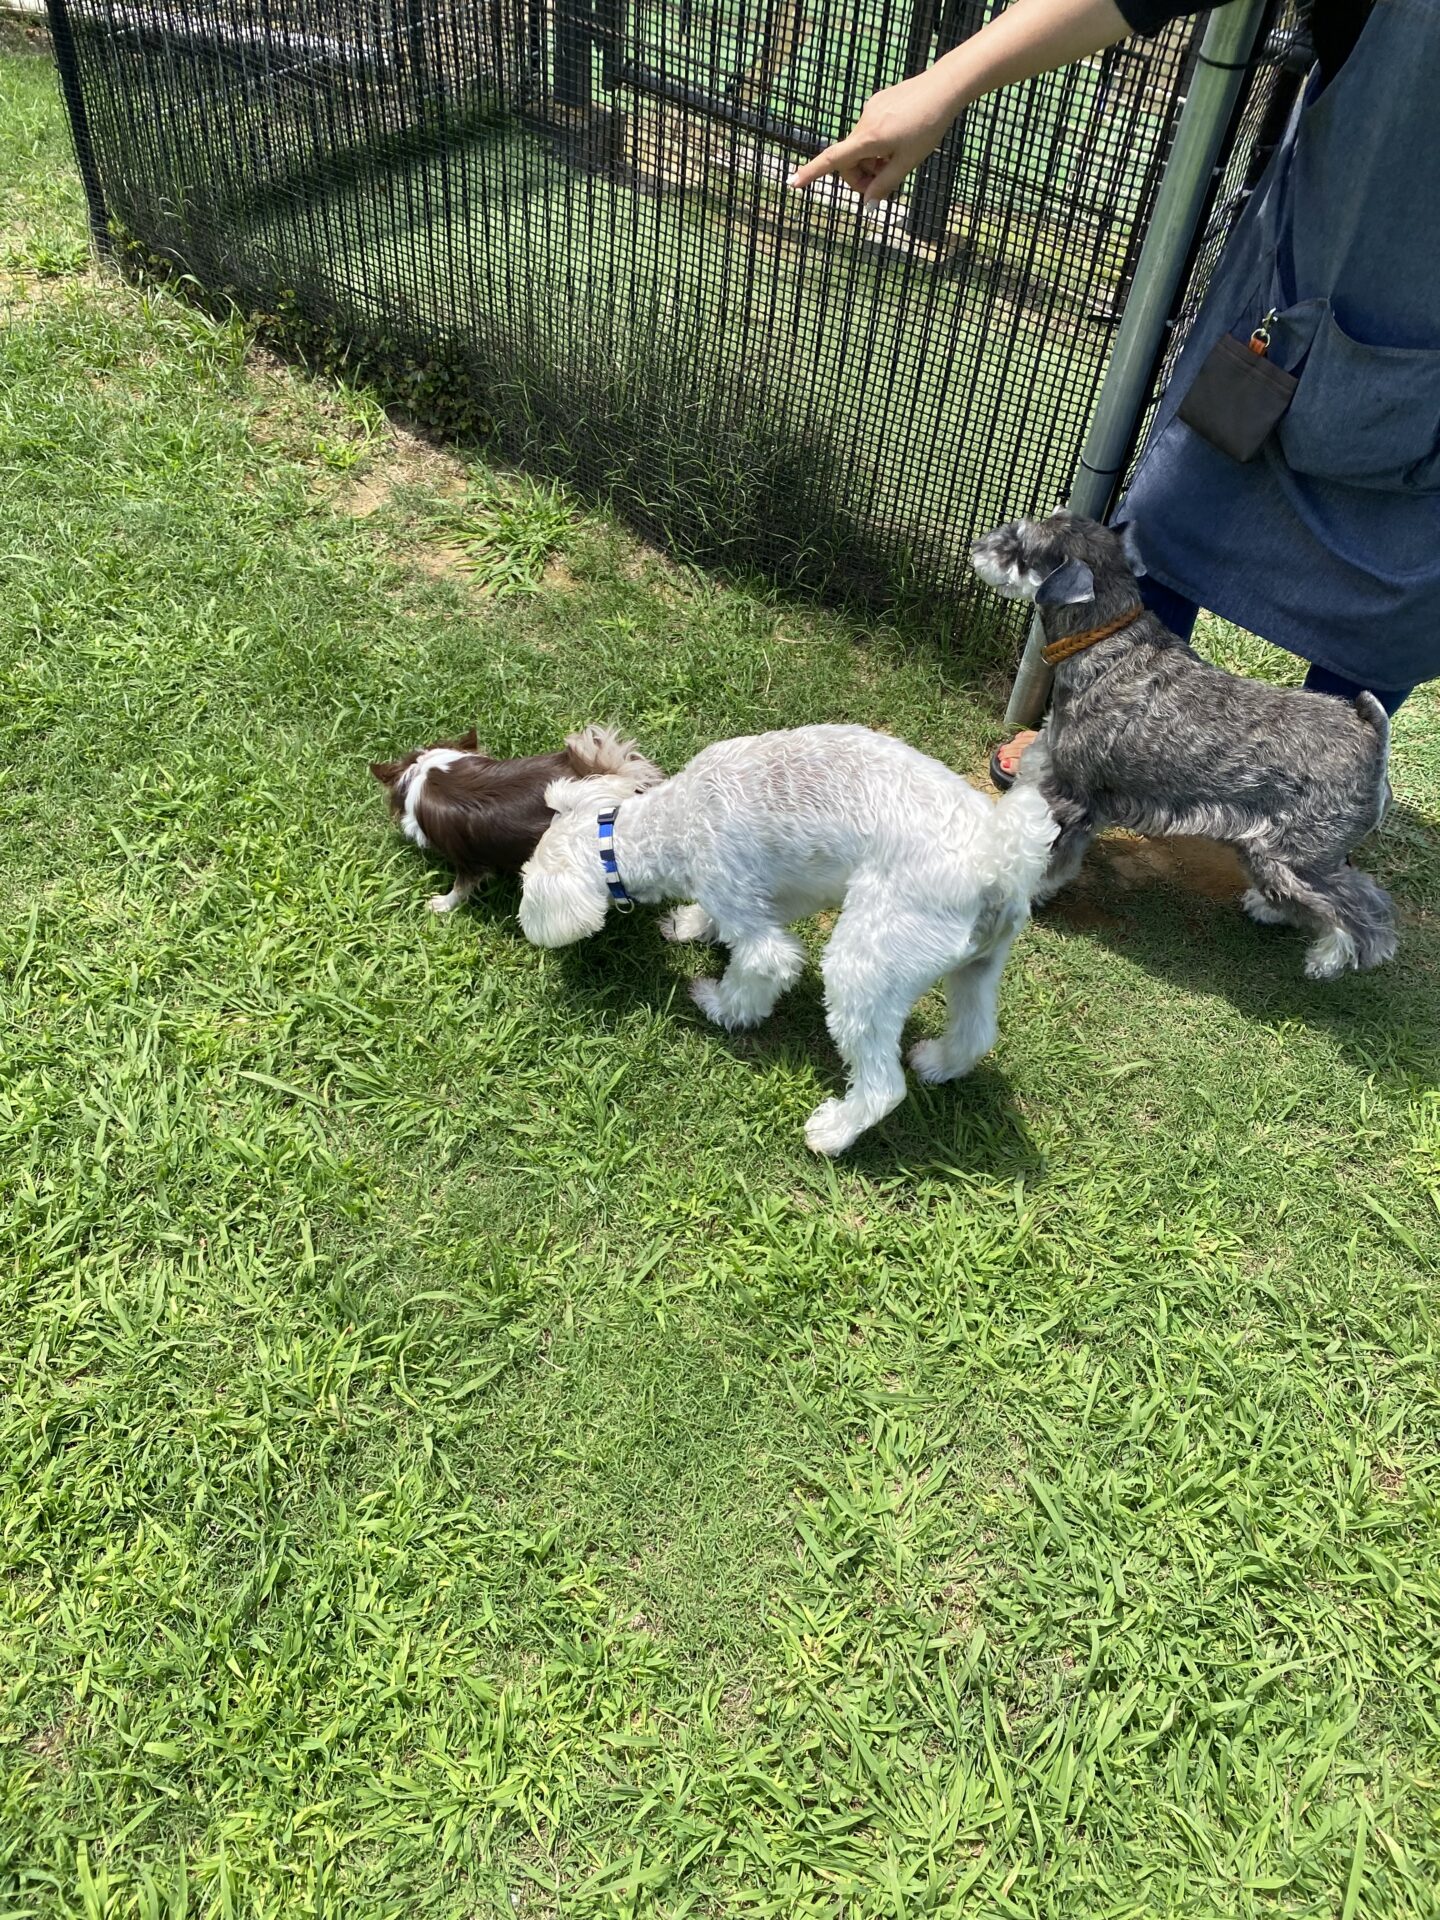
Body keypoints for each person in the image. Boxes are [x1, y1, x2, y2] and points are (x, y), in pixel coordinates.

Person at [788, 0, 1437, 787]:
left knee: (1394, 600)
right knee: (1173, 517)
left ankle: (1308, 786)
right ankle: (1100, 734)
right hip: (1303, 303)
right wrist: (948, 81)